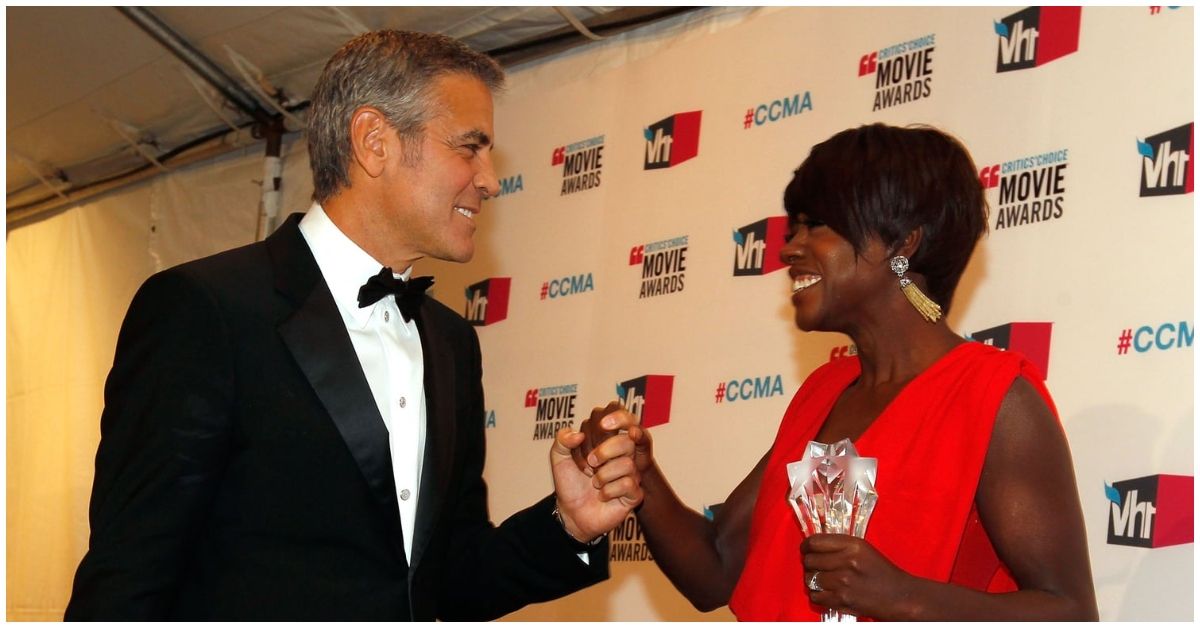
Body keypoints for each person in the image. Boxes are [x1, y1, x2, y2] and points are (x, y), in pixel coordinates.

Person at [65, 30, 642, 621]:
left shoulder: (451, 343)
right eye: (469, 148)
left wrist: (568, 526)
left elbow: (447, 581)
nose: (490, 179)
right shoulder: (205, 309)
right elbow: (128, 574)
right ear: (374, 141)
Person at [581, 124, 1098, 620]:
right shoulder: (824, 391)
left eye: (818, 225)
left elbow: (1069, 612)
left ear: (902, 243)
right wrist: (640, 477)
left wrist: (905, 599)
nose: (789, 248)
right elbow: (715, 572)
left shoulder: (994, 396)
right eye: (794, 228)